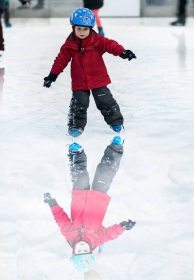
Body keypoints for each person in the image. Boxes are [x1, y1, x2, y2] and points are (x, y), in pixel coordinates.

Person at [44, 136, 136, 273]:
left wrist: (52, 203)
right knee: (104, 173)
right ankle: (115, 148)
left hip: (80, 197)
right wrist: (123, 227)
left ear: (74, 251)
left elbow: (61, 219)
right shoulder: (97, 239)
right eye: (85, 250)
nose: (82, 246)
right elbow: (111, 234)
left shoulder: (69, 235)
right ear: (90, 250)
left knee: (80, 175)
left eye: (79, 250)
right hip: (99, 199)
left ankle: (76, 153)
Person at [43, 8, 136, 138]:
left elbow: (110, 45)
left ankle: (115, 122)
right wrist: (52, 76)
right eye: (79, 28)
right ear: (73, 27)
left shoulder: (97, 41)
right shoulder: (69, 45)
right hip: (79, 80)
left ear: (91, 29)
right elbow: (60, 60)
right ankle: (76, 125)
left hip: (98, 78)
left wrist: (122, 52)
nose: (82, 32)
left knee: (106, 101)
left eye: (85, 29)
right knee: (79, 104)